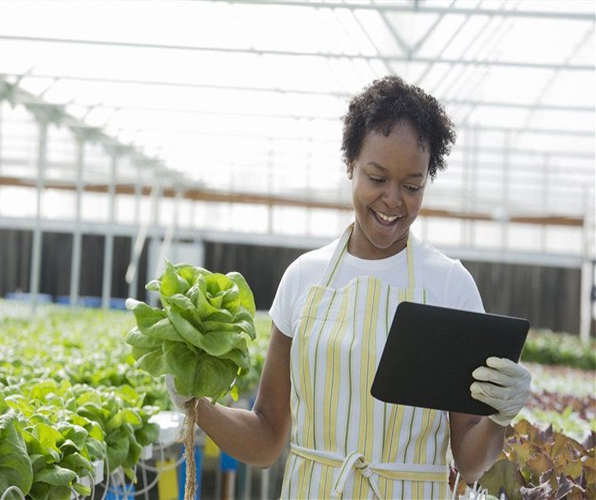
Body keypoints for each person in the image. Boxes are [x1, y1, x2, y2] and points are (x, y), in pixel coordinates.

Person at [167, 75, 532, 499]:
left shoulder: (450, 285)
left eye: (412, 186)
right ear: (350, 166)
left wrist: (499, 417)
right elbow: (267, 439)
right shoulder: (304, 278)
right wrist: (198, 406)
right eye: (376, 178)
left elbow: (470, 461)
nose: (393, 200)